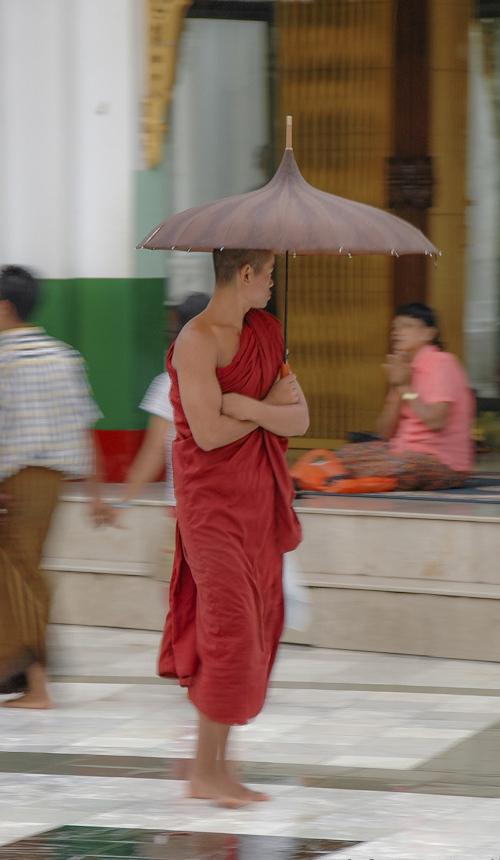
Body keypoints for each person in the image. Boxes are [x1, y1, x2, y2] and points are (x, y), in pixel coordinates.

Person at [158, 248, 309, 808]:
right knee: (229, 630)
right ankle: (205, 772)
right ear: (244, 274)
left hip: (259, 503)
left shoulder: (267, 330)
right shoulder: (196, 341)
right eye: (268, 274)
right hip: (211, 509)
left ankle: (221, 770)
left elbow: (299, 417)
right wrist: (261, 408)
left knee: (260, 626)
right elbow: (206, 433)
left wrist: (246, 402)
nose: (272, 284)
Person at [0, 265, 104, 708]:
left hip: (13, 486)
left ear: (3, 306)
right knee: (23, 572)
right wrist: (97, 495)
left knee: (18, 577)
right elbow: (85, 429)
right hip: (52, 484)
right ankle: (17, 675)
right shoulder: (64, 355)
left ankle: (37, 686)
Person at [112, 293, 210, 580]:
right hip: (228, 517)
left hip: (184, 517)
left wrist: (124, 501)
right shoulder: (237, 382)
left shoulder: (168, 384)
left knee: (180, 604)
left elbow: (153, 452)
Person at [335, 302, 474, 490]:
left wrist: (405, 386)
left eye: (406, 326)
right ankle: (343, 477)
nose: (397, 333)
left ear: (429, 333)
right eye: (395, 327)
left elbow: (436, 421)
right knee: (339, 457)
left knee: (401, 466)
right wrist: (397, 387)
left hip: (442, 462)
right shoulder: (404, 368)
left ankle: (343, 479)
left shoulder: (442, 362)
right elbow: (385, 434)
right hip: (401, 453)